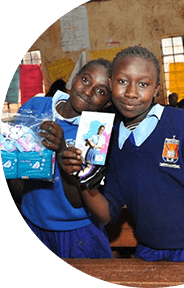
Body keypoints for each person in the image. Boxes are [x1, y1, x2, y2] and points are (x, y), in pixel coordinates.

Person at [60, 46, 184, 261]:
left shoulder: (180, 123)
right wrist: (83, 179)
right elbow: (107, 213)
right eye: (122, 81)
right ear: (111, 83)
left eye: (143, 84)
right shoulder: (109, 138)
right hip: (151, 250)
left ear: (156, 90)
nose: (131, 93)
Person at [15, 59, 114, 258]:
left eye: (100, 91)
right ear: (74, 79)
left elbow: (77, 202)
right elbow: (17, 181)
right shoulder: (35, 106)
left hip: (77, 232)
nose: (88, 91)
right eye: (85, 80)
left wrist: (61, 150)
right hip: (32, 222)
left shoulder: (95, 134)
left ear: (108, 103)